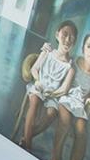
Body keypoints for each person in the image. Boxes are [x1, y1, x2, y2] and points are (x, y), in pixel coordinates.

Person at [53, 31, 90, 160]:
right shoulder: (74, 62)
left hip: (79, 105)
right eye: (89, 46)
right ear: (83, 48)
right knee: (65, 120)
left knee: (82, 131)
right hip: (64, 96)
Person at [19, 20, 77, 151]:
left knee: (52, 113)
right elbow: (34, 69)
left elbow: (64, 89)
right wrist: (37, 81)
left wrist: (52, 94)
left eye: (71, 37)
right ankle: (28, 145)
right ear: (57, 35)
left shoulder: (70, 67)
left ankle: (28, 135)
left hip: (53, 94)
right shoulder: (47, 52)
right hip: (39, 86)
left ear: (74, 42)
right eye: (65, 34)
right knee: (35, 101)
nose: (67, 40)